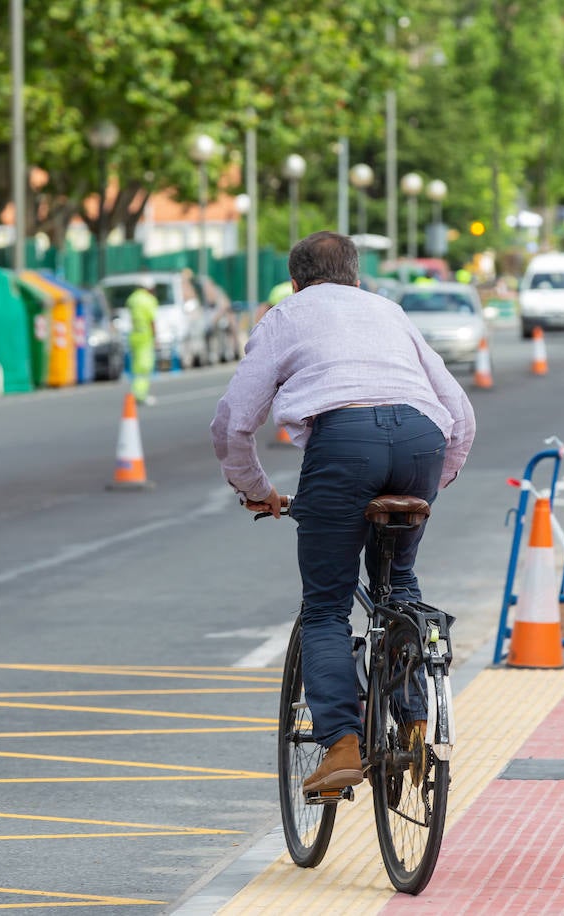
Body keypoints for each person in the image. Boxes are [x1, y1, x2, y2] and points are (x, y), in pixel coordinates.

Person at [210, 231, 476, 793]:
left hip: (344, 442)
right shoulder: (390, 312)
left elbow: (234, 420)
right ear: (356, 276)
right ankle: (415, 722)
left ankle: (341, 745)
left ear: (296, 281)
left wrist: (255, 487)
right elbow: (461, 412)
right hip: (421, 440)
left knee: (327, 606)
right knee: (398, 582)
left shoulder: (285, 316)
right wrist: (435, 483)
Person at [125, 278, 160, 405]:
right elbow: (152, 321)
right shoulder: (149, 300)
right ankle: (140, 394)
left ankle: (137, 392)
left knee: (136, 367)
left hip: (134, 335)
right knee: (144, 368)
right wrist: (156, 337)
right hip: (145, 336)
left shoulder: (132, 298)